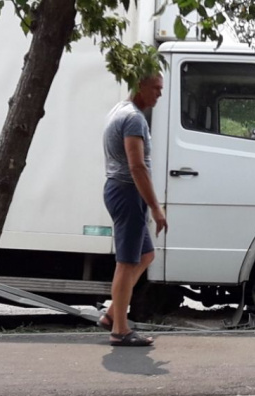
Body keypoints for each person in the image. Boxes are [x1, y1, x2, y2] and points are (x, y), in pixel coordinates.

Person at [98, 73, 167, 347]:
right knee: (126, 263)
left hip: (124, 191)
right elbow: (137, 166)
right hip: (127, 192)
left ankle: (112, 315)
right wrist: (156, 207)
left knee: (145, 255)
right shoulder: (134, 118)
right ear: (140, 86)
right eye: (156, 88)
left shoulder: (122, 110)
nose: (159, 94)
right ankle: (120, 330)